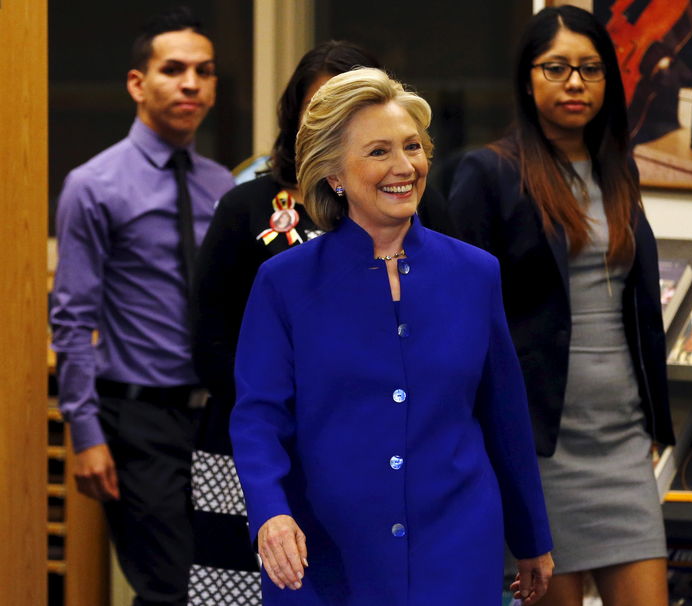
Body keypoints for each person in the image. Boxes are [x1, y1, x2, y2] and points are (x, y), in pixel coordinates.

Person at [229, 67, 554, 606]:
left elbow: (505, 417)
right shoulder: (284, 282)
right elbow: (258, 416)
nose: (405, 167)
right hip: (325, 550)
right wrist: (270, 512)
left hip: (456, 548)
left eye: (413, 147)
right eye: (379, 152)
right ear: (334, 173)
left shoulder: (476, 273)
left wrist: (531, 539)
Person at [446, 6, 675, 606]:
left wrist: (654, 417)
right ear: (528, 78)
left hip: (622, 442)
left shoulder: (619, 169)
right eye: (557, 68)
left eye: (591, 69)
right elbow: (458, 315)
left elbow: (636, 304)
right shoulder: (490, 173)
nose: (575, 83)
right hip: (538, 446)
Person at [50, 7, 234, 605]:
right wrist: (85, 432)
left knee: (221, 585)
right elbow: (74, 317)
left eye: (204, 72)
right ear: (137, 83)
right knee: (169, 589)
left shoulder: (221, 186)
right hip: (138, 420)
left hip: (214, 419)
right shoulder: (94, 184)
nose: (191, 84)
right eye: (174, 69)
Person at [187, 40, 380, 605]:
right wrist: (277, 412)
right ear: (295, 113)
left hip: (366, 448)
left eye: (353, 107)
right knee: (237, 592)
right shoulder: (246, 207)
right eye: (320, 104)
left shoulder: (405, 204)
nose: (333, 121)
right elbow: (211, 341)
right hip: (249, 444)